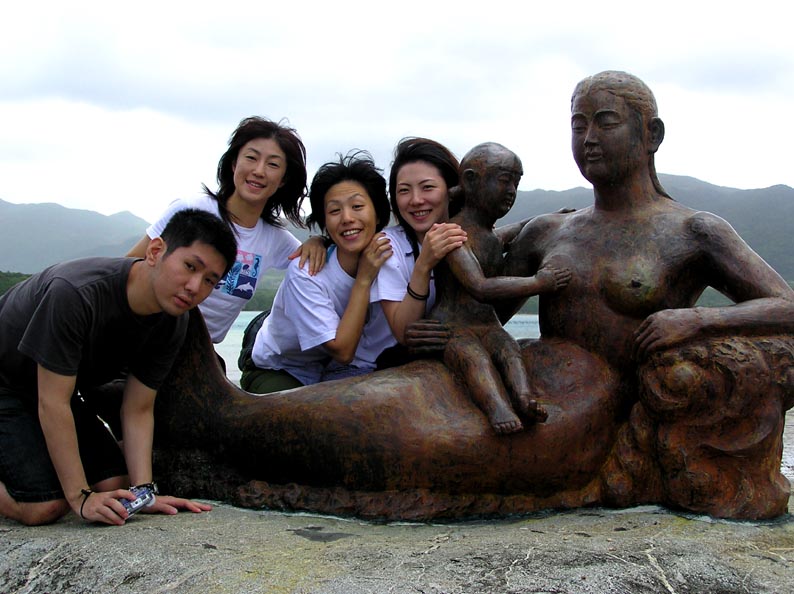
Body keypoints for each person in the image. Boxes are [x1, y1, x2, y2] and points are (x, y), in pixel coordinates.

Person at [0, 209, 238, 526]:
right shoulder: (75, 294)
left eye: (210, 280)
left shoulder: (172, 321)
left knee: (116, 486)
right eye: (190, 266)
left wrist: (143, 493)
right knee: (44, 506)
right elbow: (52, 402)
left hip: (50, 391)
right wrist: (80, 497)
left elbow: (138, 408)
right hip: (7, 383)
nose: (195, 286)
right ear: (155, 251)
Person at [127, 116, 325, 348]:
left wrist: (318, 241)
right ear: (234, 164)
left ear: (283, 179)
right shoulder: (191, 210)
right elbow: (128, 267)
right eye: (251, 158)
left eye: (273, 164)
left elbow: (318, 264)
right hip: (146, 335)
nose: (259, 171)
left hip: (200, 351)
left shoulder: (275, 239)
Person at [430, 142, 571, 434]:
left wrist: (546, 220)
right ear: (470, 181)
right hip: (454, 328)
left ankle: (524, 398)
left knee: (510, 350)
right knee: (474, 359)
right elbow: (479, 287)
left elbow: (509, 233)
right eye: (504, 180)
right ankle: (497, 407)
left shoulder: (489, 235)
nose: (511, 191)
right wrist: (538, 283)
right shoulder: (453, 235)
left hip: (486, 324)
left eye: (516, 183)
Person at [240, 152, 394, 393]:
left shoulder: (392, 256)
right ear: (324, 222)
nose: (347, 218)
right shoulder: (307, 271)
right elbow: (343, 351)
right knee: (297, 414)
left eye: (357, 206)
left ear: (378, 213)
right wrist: (364, 279)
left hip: (336, 370)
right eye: (334, 211)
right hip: (280, 367)